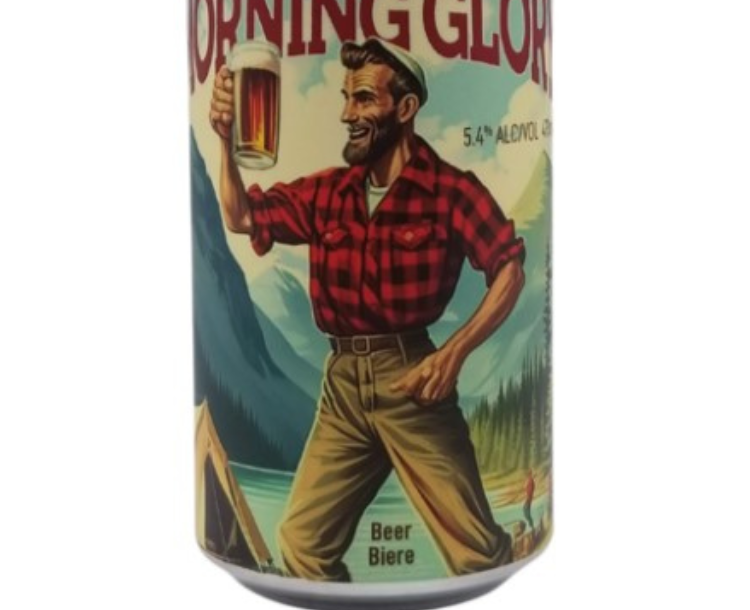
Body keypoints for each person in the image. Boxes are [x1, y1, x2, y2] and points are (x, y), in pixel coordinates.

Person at [209, 37, 526, 581]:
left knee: (476, 552)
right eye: (345, 98)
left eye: (363, 99)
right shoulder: (328, 193)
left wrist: (453, 355)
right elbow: (240, 218)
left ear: (405, 108)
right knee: (301, 545)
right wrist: (224, 137)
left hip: (414, 381)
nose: (346, 115)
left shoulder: (449, 191)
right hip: (342, 388)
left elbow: (510, 268)